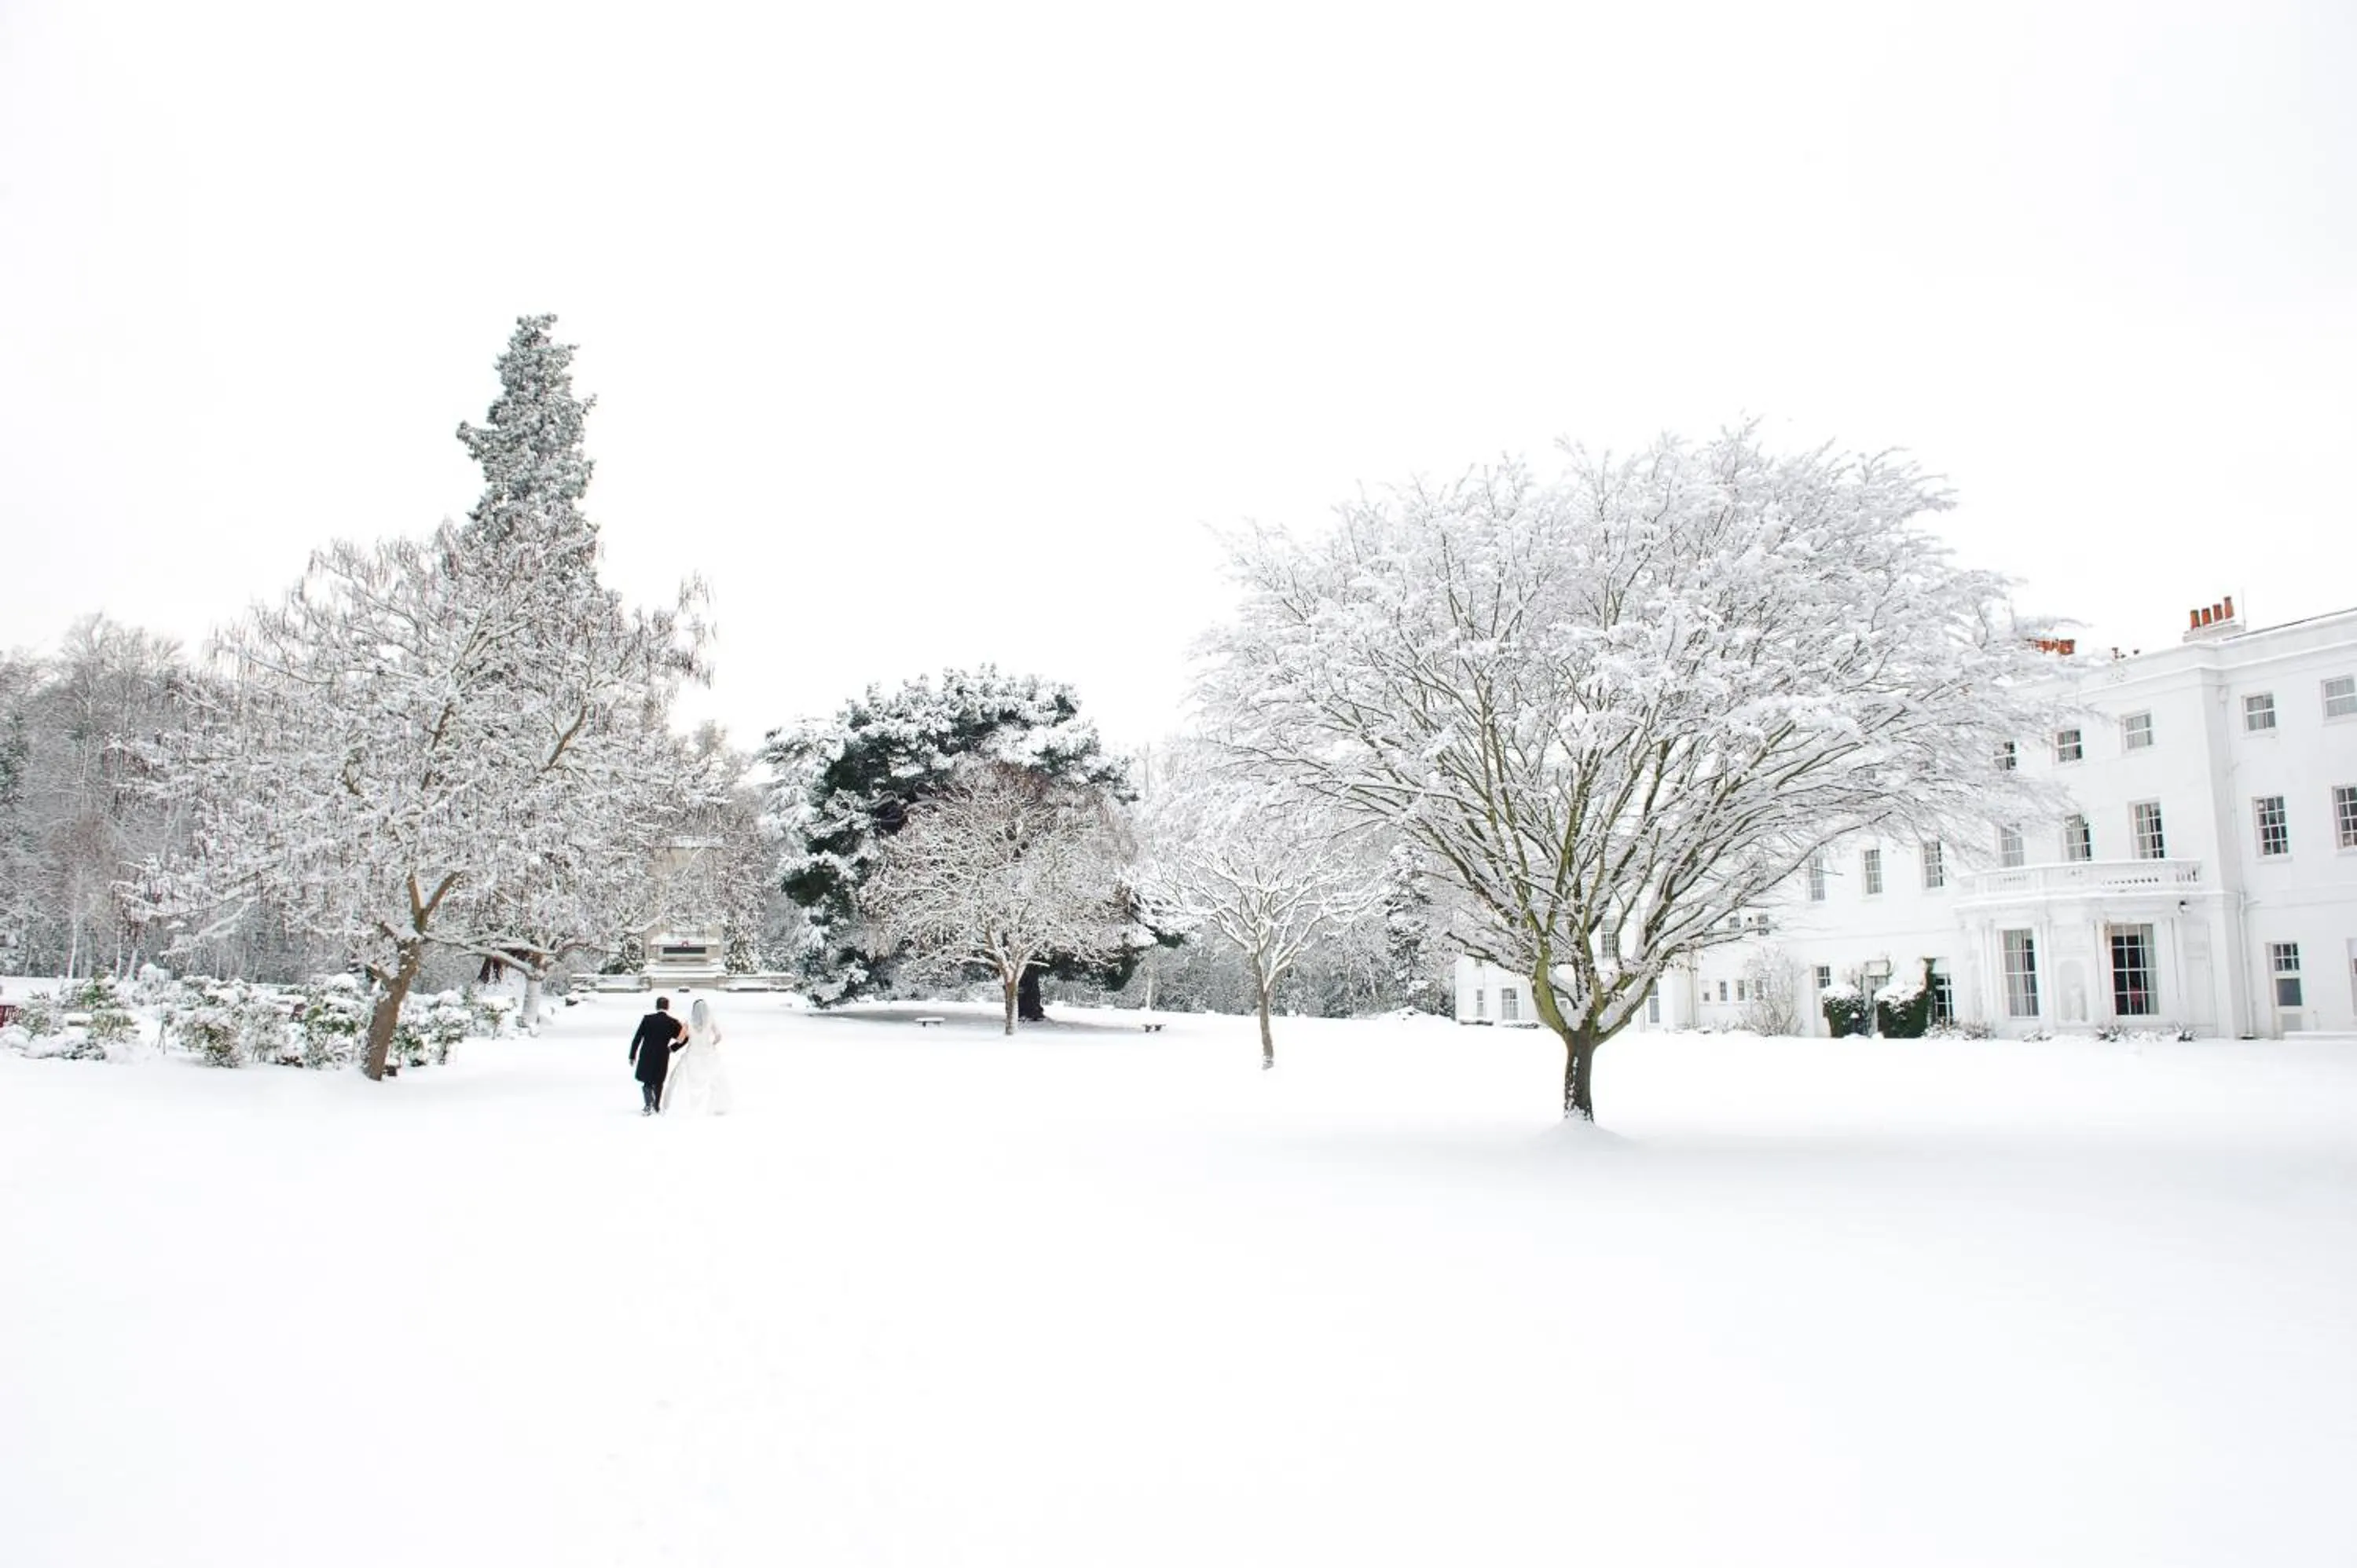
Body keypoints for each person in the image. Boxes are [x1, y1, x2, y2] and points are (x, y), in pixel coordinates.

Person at [662, 997, 734, 1116]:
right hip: (708, 1054)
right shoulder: (710, 1020)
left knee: (683, 1079)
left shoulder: (688, 1022)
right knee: (713, 1076)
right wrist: (711, 1044)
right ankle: (716, 1106)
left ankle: (683, 1106)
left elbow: (680, 1040)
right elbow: (719, 1037)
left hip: (692, 1054)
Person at [629, 996, 686, 1116]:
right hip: (662, 1054)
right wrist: (673, 1048)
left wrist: (632, 1055)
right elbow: (684, 1038)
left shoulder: (648, 1019)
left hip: (647, 1053)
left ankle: (648, 1104)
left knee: (647, 1080)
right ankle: (656, 1106)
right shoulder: (672, 1022)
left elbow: (638, 1038)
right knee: (659, 1080)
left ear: (656, 1006)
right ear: (668, 1007)